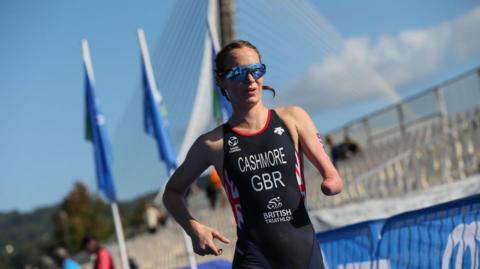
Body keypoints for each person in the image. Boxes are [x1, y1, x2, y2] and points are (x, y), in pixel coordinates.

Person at [163, 40, 343, 269]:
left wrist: (332, 182)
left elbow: (332, 174)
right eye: (239, 73)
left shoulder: (293, 119)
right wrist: (194, 228)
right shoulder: (212, 143)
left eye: (256, 71)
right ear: (221, 80)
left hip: (303, 253)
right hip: (255, 258)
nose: (250, 80)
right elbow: (172, 192)